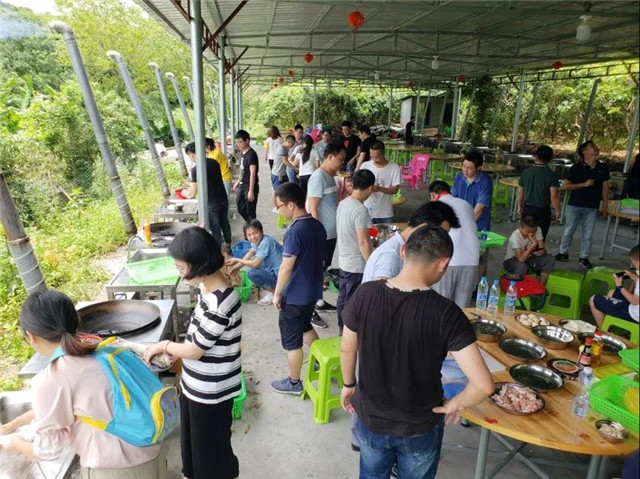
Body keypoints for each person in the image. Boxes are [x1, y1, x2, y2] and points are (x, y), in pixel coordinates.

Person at [340, 226, 495, 479]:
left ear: (403, 252)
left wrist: (349, 385)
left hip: (371, 419)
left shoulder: (365, 294)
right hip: (420, 425)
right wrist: (455, 404)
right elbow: (484, 386)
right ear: (443, 263)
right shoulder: (447, 313)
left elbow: (347, 348)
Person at [0, 290, 166, 478]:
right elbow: (65, 404)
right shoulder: (104, 348)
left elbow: (49, 451)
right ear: (76, 321)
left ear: (31, 336)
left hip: (115, 470)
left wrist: (17, 445)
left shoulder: (53, 377)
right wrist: (14, 424)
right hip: (154, 454)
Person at [144, 227, 241, 479]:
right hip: (196, 385)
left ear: (200, 265)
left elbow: (195, 350)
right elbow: (198, 336)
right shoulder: (207, 289)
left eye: (181, 268)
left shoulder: (221, 303)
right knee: (195, 448)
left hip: (210, 392)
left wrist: (165, 346)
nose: (179, 273)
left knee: (211, 454)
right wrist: (178, 352)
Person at [270, 183, 325, 395]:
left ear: (291, 205)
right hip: (312, 292)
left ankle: (294, 383)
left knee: (293, 342)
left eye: (279, 206)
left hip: (295, 295)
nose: (279, 211)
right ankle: (319, 362)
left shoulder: (294, 232)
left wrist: (277, 293)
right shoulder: (317, 225)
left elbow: (286, 267)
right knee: (305, 325)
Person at [362, 201, 460, 283]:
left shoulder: (407, 249)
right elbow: (381, 297)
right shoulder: (390, 257)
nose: (441, 240)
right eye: (440, 234)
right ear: (424, 228)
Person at [307, 141, 345, 327]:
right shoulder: (318, 177)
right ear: (330, 157)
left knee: (323, 269)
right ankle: (309, 310)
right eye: (340, 159)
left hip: (330, 234)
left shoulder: (330, 176)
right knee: (314, 271)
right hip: (322, 235)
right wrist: (317, 234)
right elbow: (313, 207)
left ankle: (320, 302)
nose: (342, 163)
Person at [556, 140, 610, 269]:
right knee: (569, 230)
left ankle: (584, 257)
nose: (596, 148)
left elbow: (605, 186)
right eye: (593, 147)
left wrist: (605, 204)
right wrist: (584, 184)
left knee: (588, 234)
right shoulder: (576, 167)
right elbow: (565, 186)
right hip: (575, 205)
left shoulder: (603, 168)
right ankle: (563, 252)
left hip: (592, 206)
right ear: (585, 152)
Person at [336, 169, 375, 334]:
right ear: (370, 188)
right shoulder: (360, 210)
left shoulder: (343, 203)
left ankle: (341, 328)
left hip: (344, 261)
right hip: (356, 265)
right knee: (352, 301)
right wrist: (372, 263)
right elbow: (363, 241)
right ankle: (348, 333)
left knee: (343, 297)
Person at [429, 181, 480, 308]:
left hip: (446, 260)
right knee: (462, 308)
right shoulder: (466, 204)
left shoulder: (435, 207)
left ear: (433, 195)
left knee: (441, 305)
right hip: (471, 260)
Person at [452, 149, 493, 278]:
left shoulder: (485, 181)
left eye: (469, 168)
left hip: (480, 226)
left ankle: (479, 286)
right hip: (460, 224)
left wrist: (466, 225)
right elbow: (453, 199)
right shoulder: (459, 177)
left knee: (480, 258)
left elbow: (479, 209)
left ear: (479, 168)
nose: (465, 170)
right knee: (461, 255)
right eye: (464, 166)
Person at [183, 141, 231, 247]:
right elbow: (210, 181)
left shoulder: (196, 169)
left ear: (192, 154)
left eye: (189, 156)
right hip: (223, 198)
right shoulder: (214, 162)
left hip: (211, 202)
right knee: (224, 222)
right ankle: (228, 244)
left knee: (215, 227)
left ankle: (218, 249)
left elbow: (193, 192)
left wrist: (185, 193)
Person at [229, 219, 283, 306]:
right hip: (276, 271)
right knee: (253, 259)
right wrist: (238, 267)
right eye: (249, 235)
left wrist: (237, 260)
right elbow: (251, 252)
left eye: (255, 233)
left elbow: (255, 264)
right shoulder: (257, 240)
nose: (253, 237)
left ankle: (274, 293)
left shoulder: (265, 242)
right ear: (246, 236)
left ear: (261, 231)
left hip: (281, 277)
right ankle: (276, 290)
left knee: (251, 272)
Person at [517, 144, 561, 240]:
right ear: (550, 159)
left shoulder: (526, 172)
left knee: (525, 236)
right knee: (540, 237)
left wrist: (519, 206)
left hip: (527, 208)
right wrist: (557, 211)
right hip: (542, 210)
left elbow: (520, 192)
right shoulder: (551, 175)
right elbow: (554, 195)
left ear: (535, 156)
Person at [589, 244, 639, 326]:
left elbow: (634, 301)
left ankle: (604, 330)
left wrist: (620, 286)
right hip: (636, 309)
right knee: (612, 293)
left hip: (634, 315)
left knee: (594, 299)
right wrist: (635, 278)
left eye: (635, 265)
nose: (635, 268)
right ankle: (610, 325)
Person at [503, 214, 555, 285]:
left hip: (530, 258)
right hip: (512, 260)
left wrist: (541, 252)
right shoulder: (515, 236)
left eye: (534, 232)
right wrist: (532, 246)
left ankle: (540, 286)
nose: (531, 234)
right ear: (521, 227)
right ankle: (519, 288)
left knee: (550, 259)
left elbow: (544, 250)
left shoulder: (538, 229)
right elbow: (520, 259)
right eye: (528, 232)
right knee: (522, 267)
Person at [360, 141, 402, 225]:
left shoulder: (394, 168)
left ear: (383, 153)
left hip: (385, 213)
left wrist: (379, 188)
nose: (374, 160)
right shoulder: (365, 165)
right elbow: (359, 185)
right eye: (372, 157)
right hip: (367, 211)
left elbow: (395, 190)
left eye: (377, 157)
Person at [233, 130, 260, 221]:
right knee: (240, 207)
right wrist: (238, 182)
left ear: (247, 141)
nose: (238, 144)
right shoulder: (242, 152)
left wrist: (251, 190)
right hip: (242, 184)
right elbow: (243, 170)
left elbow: (253, 173)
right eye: (237, 142)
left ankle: (253, 226)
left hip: (249, 185)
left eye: (240, 142)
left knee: (250, 211)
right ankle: (249, 224)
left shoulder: (252, 154)